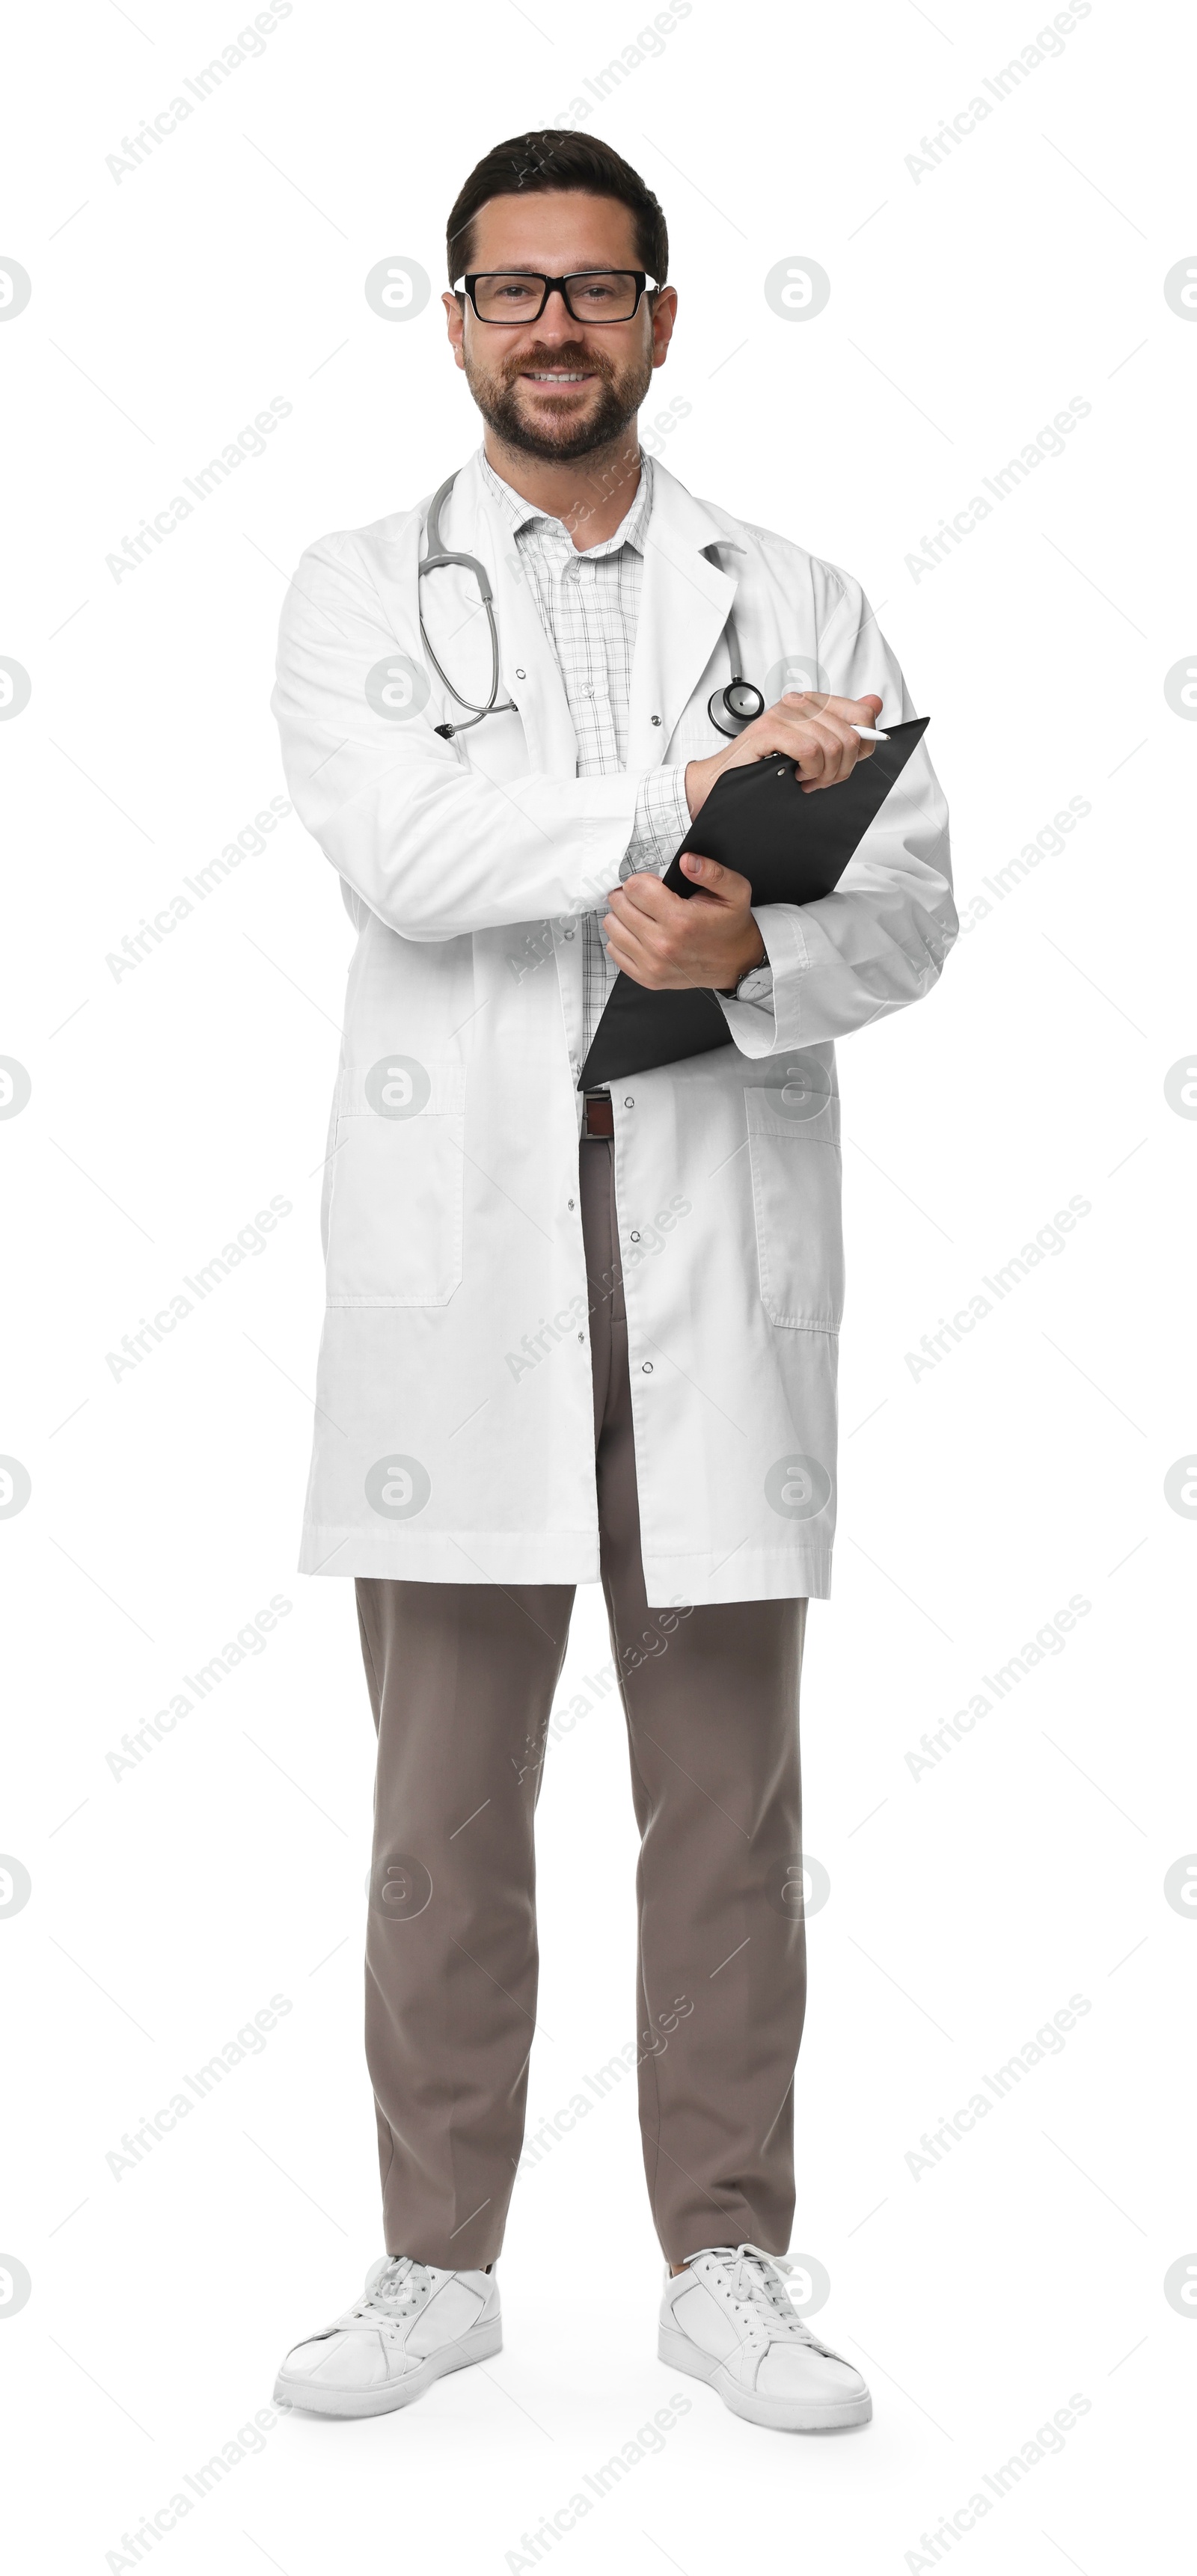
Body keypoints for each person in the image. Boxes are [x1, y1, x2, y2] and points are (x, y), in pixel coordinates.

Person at [269, 129, 955, 2432]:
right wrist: (699, 800)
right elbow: (407, 846)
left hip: (705, 1244)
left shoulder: (806, 595)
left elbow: (919, 903)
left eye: (595, 287)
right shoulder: (359, 589)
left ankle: (730, 2257)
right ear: (455, 321)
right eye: (509, 290)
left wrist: (757, 937)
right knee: (442, 1810)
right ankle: (434, 2257)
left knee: (727, 1807)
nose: (552, 324)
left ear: (663, 317)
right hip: (463, 1271)